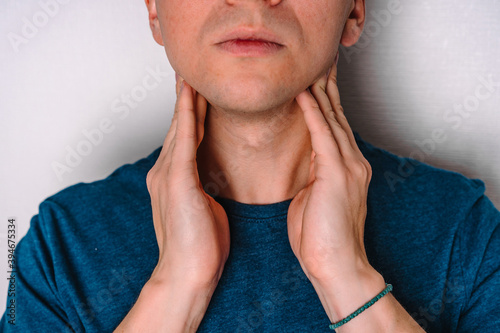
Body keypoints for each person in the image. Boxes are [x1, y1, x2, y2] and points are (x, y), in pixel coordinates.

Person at [2, 0, 499, 332]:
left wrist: (347, 279)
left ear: (354, 11)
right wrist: (176, 288)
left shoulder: (468, 233)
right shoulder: (59, 248)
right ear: (154, 10)